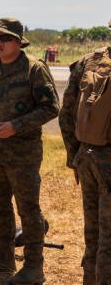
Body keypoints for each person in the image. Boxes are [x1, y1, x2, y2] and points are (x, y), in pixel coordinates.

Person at [0, 17, 59, 284]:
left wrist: (16, 126)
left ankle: (33, 268)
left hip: (22, 155)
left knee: (28, 210)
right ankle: (2, 262)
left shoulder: (34, 69)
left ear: (18, 41)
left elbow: (51, 107)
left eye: (5, 38)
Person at [58, 33, 111, 284]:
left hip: (87, 157)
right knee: (108, 240)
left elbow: (65, 114)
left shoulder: (88, 61)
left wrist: (75, 155)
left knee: (93, 235)